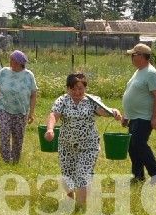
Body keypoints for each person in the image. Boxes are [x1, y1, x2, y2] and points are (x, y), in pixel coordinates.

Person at [46, 73, 122, 207]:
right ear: (67, 88)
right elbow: (54, 115)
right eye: (73, 89)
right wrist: (50, 129)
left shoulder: (92, 100)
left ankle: (80, 208)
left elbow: (102, 110)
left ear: (85, 88)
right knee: (67, 175)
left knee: (82, 174)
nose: (76, 92)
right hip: (66, 145)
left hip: (88, 145)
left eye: (80, 88)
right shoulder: (62, 100)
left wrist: (113, 112)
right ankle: (70, 200)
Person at [121, 43, 156, 184]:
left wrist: (155, 117)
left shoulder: (151, 73)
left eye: (133, 55)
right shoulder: (139, 71)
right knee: (132, 147)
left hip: (144, 118)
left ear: (141, 56)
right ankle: (138, 176)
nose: (131, 58)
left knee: (139, 145)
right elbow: (133, 95)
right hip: (134, 117)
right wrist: (126, 115)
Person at [0, 50, 39, 163]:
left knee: (18, 138)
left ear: (20, 62)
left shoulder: (28, 75)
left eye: (13, 60)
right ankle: (6, 160)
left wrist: (31, 113)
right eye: (10, 59)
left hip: (21, 112)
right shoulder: (4, 72)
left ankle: (15, 160)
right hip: (4, 109)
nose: (10, 62)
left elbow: (33, 94)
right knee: (4, 134)